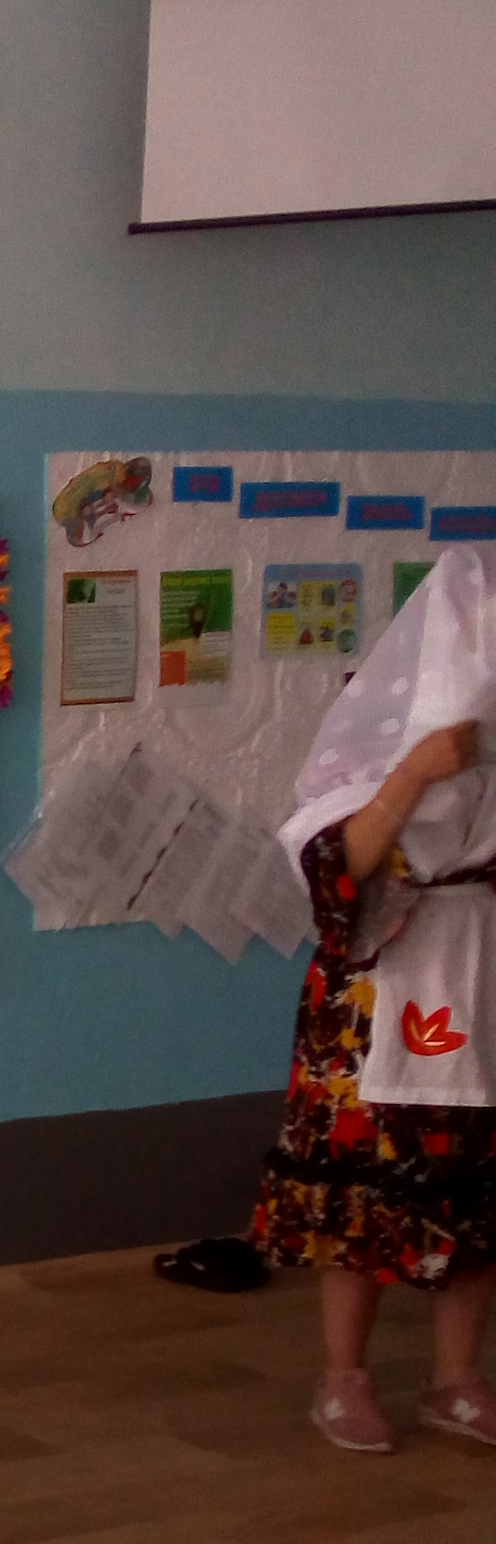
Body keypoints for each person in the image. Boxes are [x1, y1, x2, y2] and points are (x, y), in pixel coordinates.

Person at [254, 544, 496, 1450]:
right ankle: (343, 1379)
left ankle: (456, 1379)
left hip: (477, 974)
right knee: (361, 1185)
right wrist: (417, 772)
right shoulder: (376, 734)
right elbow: (334, 867)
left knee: (474, 1181)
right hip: (372, 999)